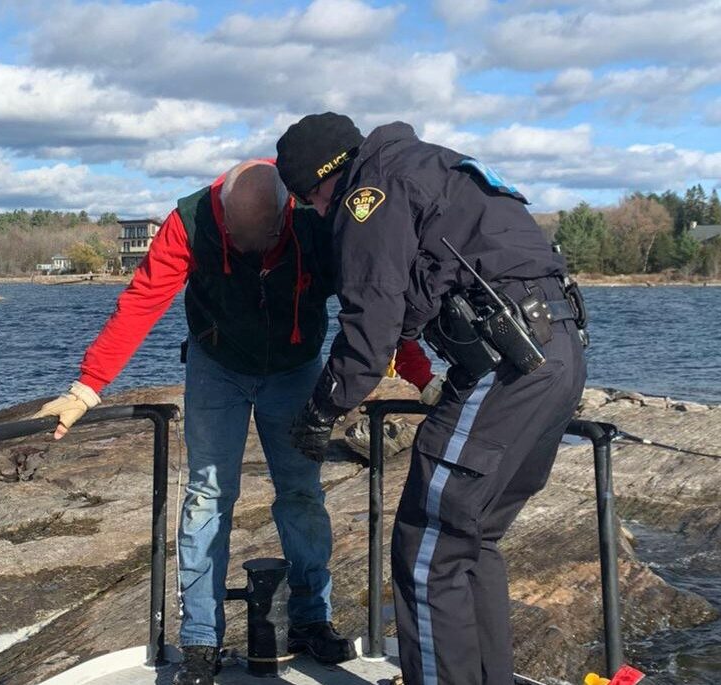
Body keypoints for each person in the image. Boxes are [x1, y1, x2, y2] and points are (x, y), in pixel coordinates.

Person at [276, 113, 588, 685]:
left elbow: (371, 325)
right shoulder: (430, 165)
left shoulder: (369, 194)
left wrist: (323, 407)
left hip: (507, 364)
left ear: (325, 178)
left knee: (427, 547)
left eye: (309, 198)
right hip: (559, 355)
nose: (316, 211)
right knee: (472, 539)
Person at [33, 160, 361, 685]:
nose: (248, 250)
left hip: (295, 369)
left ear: (285, 214)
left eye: (261, 240)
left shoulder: (314, 214)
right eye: (236, 238)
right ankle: (202, 640)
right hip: (216, 368)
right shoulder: (189, 222)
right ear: (223, 215)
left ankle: (311, 620)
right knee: (207, 496)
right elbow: (142, 300)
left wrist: (416, 372)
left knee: (302, 494)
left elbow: (369, 296)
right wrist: (88, 386)